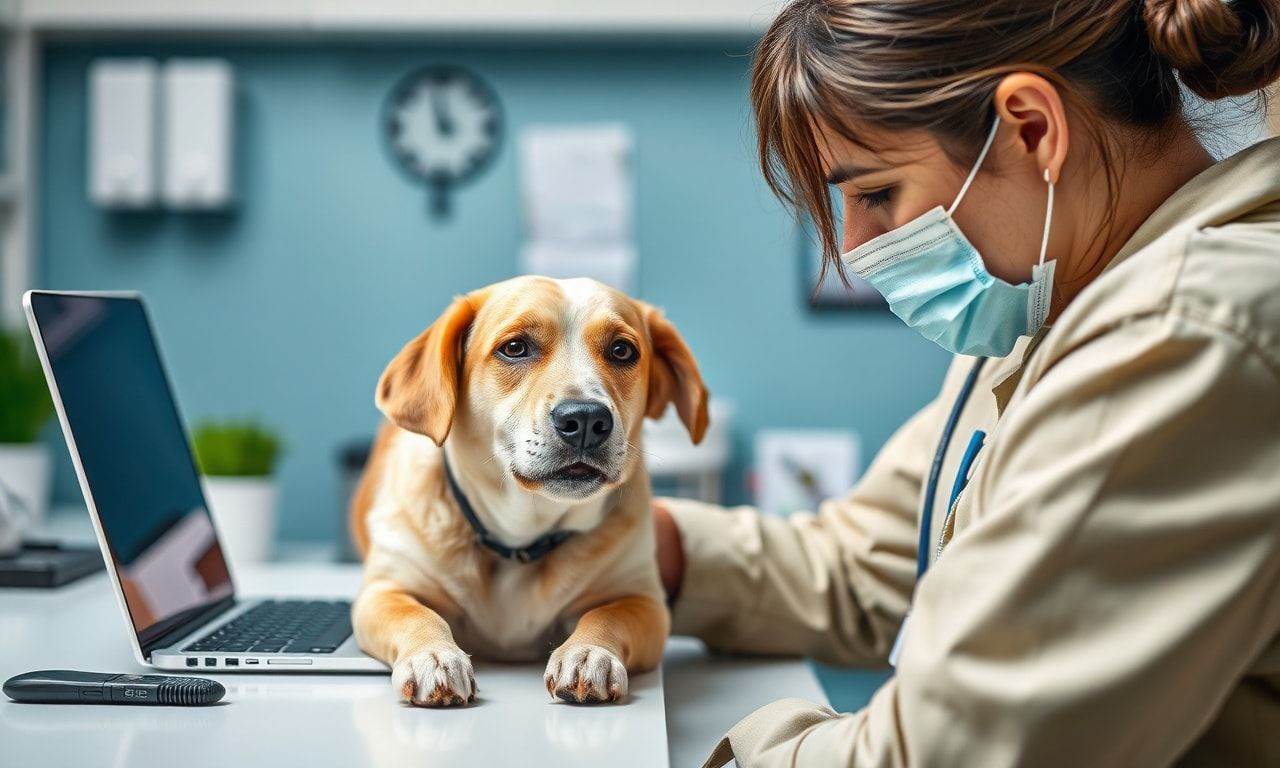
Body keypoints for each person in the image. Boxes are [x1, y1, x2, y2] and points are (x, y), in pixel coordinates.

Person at [652, 0, 1280, 765]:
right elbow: (874, 570)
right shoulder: (1044, 310)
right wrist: (656, 550)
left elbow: (944, 754)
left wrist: (735, 748)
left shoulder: (1187, 333)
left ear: (1032, 130)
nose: (853, 249)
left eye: (876, 193)